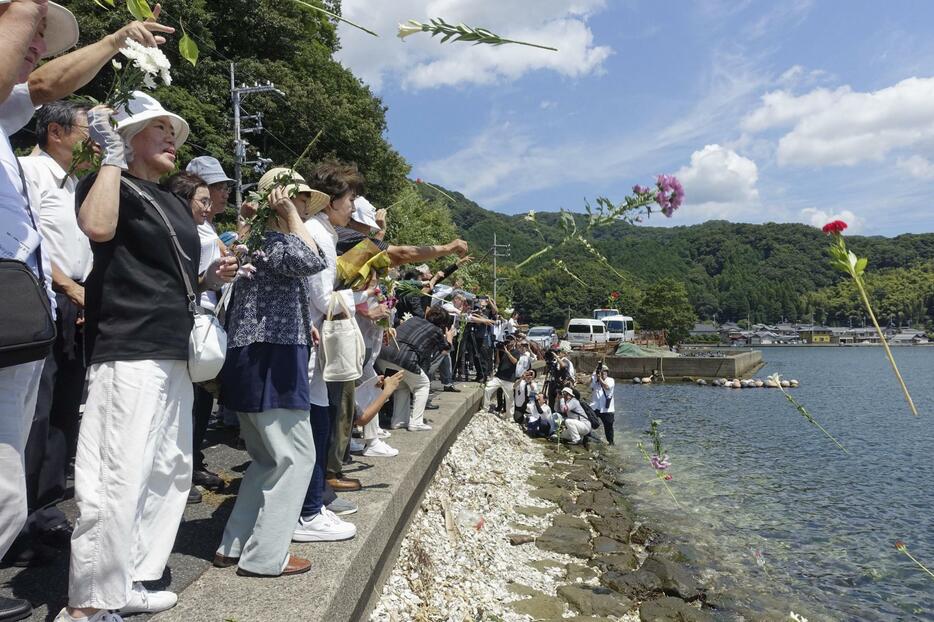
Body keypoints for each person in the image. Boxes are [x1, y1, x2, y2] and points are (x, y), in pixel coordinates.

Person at [58, 90, 237, 621]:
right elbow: (96, 228)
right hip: (130, 345)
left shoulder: (174, 203)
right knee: (117, 472)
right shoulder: (109, 182)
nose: (170, 137)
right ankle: (89, 603)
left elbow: (169, 276)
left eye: (172, 131)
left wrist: (209, 277)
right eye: (157, 128)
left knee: (169, 470)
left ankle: (129, 579)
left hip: (173, 347)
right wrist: (110, 158)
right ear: (129, 137)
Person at [214, 168, 328, 577]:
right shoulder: (277, 240)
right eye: (299, 200)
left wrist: (303, 320)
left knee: (266, 458)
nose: (304, 208)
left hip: (252, 356)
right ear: (281, 201)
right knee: (297, 457)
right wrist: (291, 217)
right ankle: (266, 556)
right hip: (272, 357)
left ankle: (234, 544)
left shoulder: (254, 242)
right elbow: (314, 259)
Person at [6, 100, 92, 569]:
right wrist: (67, 285)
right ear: (56, 132)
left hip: (75, 301)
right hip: (46, 297)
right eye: (85, 131)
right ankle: (17, 518)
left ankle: (45, 506)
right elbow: (29, 241)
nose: (93, 142)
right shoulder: (28, 172)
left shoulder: (74, 182)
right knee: (33, 411)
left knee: (63, 408)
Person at [376, 307, 454, 431]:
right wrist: (449, 337)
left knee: (402, 386)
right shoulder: (436, 331)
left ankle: (399, 421)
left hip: (383, 355)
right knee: (423, 384)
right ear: (443, 323)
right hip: (403, 358)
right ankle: (416, 422)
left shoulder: (414, 319)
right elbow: (445, 349)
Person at [482, 334, 521, 418]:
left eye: (511, 339)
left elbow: (515, 362)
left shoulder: (516, 352)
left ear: (514, 342)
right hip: (499, 376)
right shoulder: (502, 350)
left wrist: (507, 352)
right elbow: (497, 363)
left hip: (509, 379)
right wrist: (498, 351)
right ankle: (485, 408)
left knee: (509, 398)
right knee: (487, 389)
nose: (509, 341)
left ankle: (509, 416)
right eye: (508, 339)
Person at [590, 363, 616, 445]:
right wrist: (594, 374)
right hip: (595, 407)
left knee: (608, 427)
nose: (603, 373)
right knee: (588, 421)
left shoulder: (610, 380)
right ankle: (587, 436)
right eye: (601, 372)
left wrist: (600, 378)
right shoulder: (595, 381)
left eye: (604, 372)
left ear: (607, 373)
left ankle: (611, 443)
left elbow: (607, 387)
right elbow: (589, 385)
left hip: (607, 409)